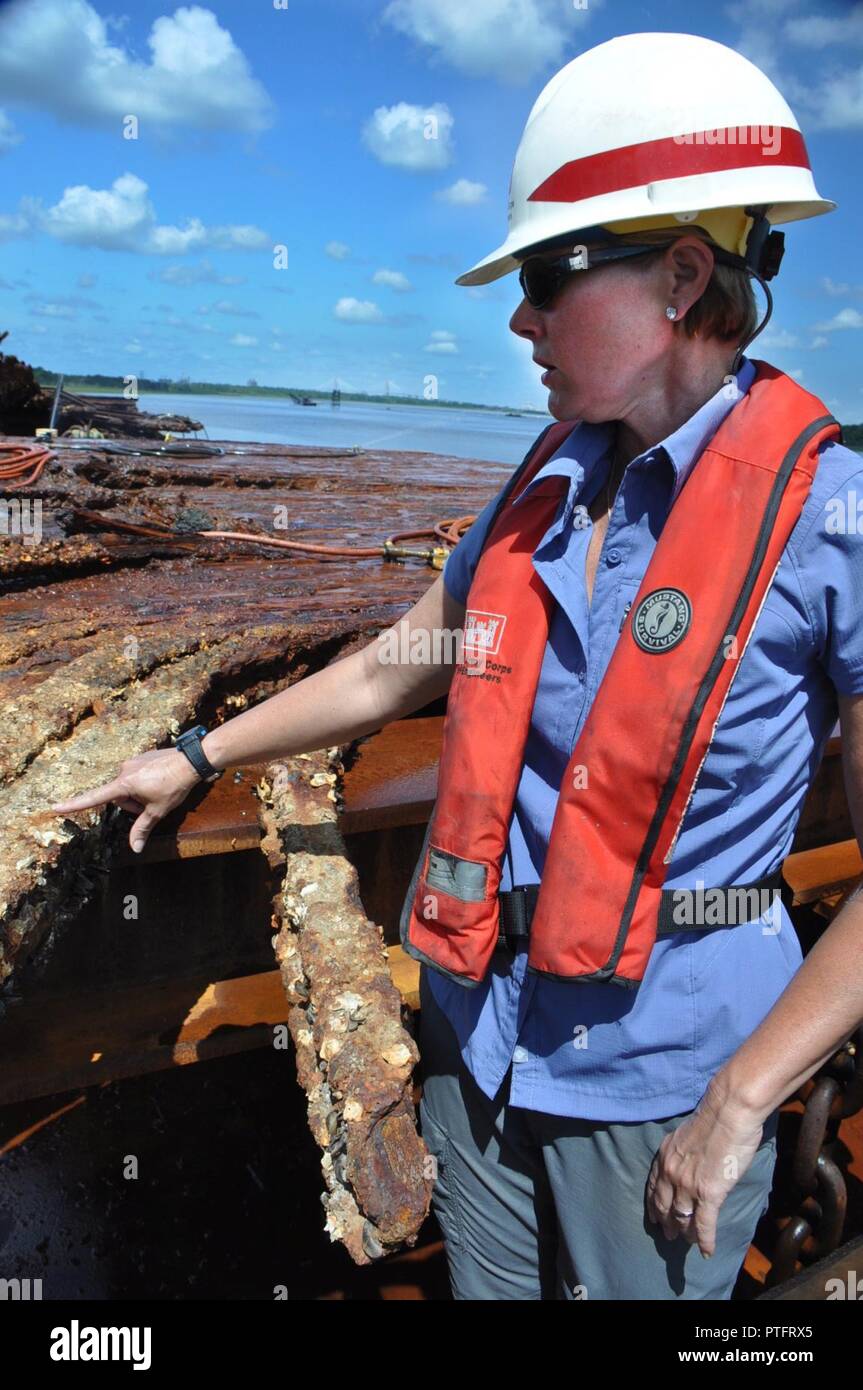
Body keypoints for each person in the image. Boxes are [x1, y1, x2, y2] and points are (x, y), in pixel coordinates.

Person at [49, 31, 863, 1303]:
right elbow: (394, 670)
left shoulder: (828, 521)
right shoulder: (539, 481)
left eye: (547, 274)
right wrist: (194, 752)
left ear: (681, 277)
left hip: (662, 1089)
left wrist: (741, 1101)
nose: (518, 315)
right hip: (475, 1042)